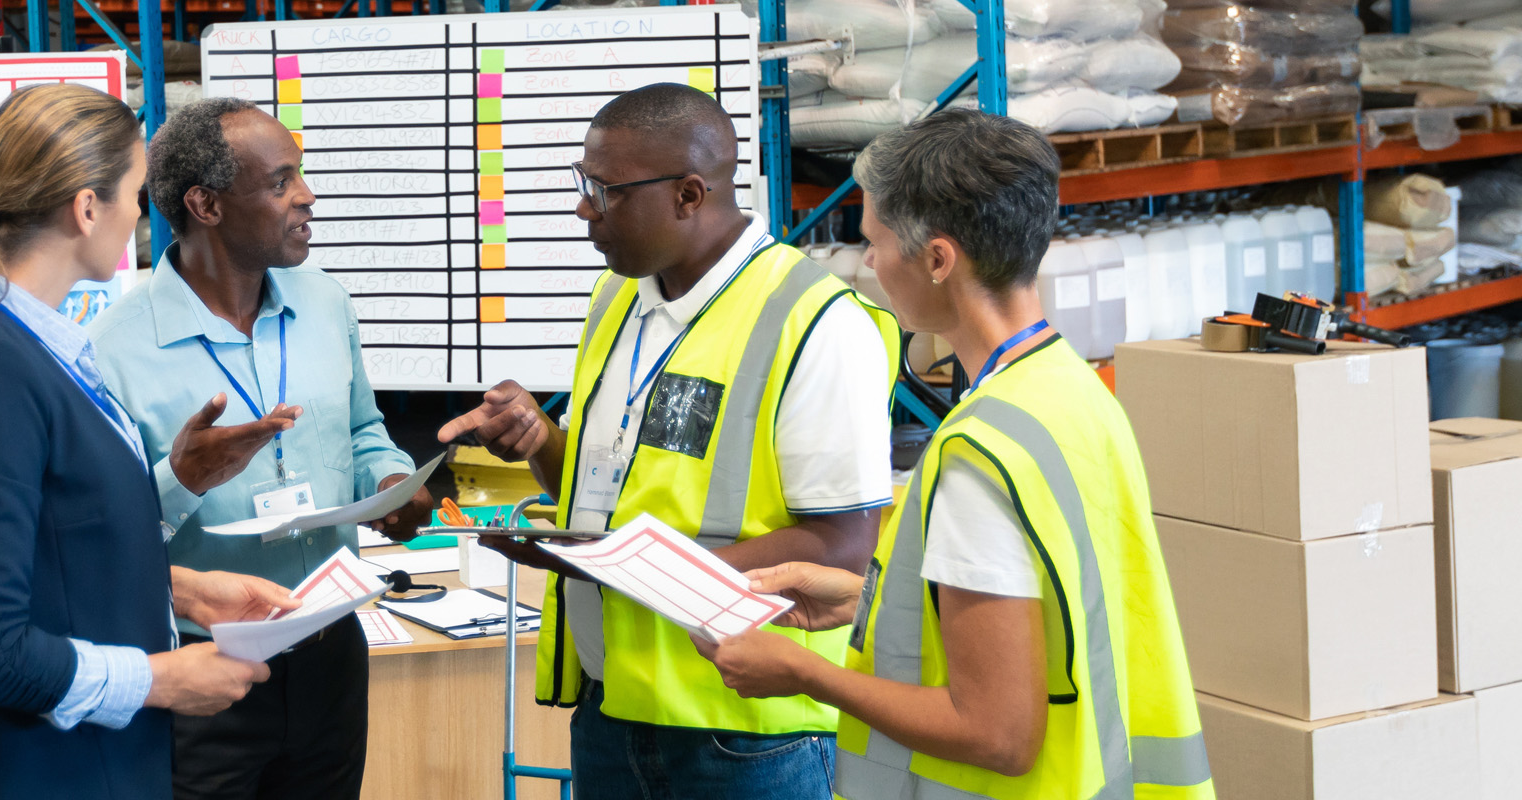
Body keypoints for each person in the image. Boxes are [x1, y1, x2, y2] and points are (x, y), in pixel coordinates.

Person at [694, 108, 1214, 799]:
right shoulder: (1072, 392)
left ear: (938, 259)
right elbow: (1048, 613)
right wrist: (861, 600)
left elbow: (997, 734)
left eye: (874, 241)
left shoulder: (978, 455)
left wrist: (803, 672)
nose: (870, 262)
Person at [437, 83, 903, 797]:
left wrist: (629, 570)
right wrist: (539, 441)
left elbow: (843, 544)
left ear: (690, 194)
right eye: (583, 184)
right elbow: (602, 495)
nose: (583, 208)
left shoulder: (816, 323)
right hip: (612, 708)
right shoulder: (616, 298)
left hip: (744, 728)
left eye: (605, 191)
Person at [0, 83, 301, 799]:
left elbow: (56, 550)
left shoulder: (42, 348)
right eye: (136, 193)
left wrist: (183, 592)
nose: (144, 217)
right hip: (43, 775)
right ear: (87, 209)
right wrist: (162, 679)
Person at [89, 96, 435, 800]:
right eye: (281, 183)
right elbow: (97, 539)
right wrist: (182, 478)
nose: (307, 197)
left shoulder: (327, 304)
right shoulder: (110, 350)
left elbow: (365, 430)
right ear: (206, 206)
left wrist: (393, 478)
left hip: (331, 652)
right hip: (201, 667)